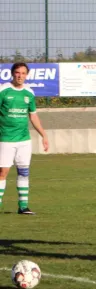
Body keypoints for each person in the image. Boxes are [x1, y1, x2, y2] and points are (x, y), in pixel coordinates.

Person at [0, 62, 50, 215]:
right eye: (17, 73)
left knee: (24, 171)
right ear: (12, 74)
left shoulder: (29, 93)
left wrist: (44, 135)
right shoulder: (3, 90)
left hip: (24, 140)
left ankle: (23, 206)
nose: (20, 76)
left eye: (23, 73)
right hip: (6, 138)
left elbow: (33, 116)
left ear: (26, 75)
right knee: (3, 172)